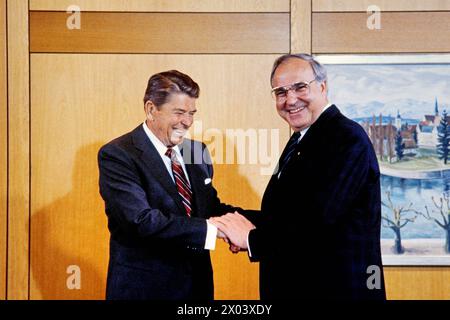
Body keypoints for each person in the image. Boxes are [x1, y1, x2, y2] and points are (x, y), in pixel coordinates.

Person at [212, 54, 386, 300]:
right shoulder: (302, 138)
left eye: (300, 87)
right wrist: (225, 217)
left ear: (323, 87)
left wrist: (251, 239)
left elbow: (318, 224)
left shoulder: (346, 138)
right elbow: (287, 218)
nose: (290, 100)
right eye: (281, 92)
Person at [98, 70, 242, 300]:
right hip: (144, 291)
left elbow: (210, 209)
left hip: (196, 289)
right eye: (179, 112)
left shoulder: (197, 151)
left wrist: (259, 225)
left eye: (192, 113)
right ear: (151, 109)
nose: (187, 122)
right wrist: (216, 230)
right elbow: (141, 220)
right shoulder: (118, 154)